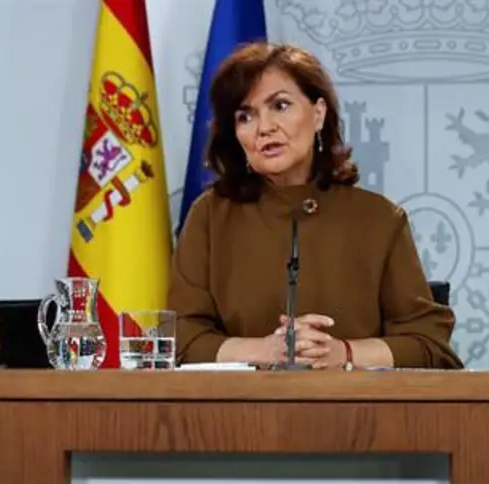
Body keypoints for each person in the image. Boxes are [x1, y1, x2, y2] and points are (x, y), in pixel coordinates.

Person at [168, 42, 462, 370]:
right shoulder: (210, 217)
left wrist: (342, 353)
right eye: (245, 116)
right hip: (239, 418)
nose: (264, 127)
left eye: (280, 105)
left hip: (358, 417)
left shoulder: (378, 220)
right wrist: (265, 351)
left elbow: (428, 345)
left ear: (318, 113)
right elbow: (180, 337)